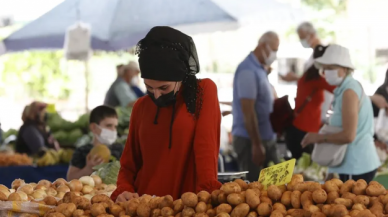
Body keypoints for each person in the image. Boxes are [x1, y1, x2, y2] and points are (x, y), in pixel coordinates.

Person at [112, 26, 221, 202]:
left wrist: (207, 197)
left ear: (181, 76)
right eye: (149, 88)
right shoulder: (141, 106)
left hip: (186, 206)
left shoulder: (203, 92)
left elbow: (205, 148)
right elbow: (129, 164)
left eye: (164, 88)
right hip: (143, 208)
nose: (156, 95)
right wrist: (124, 188)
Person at [302, 44, 380, 183]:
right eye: (324, 69)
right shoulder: (344, 90)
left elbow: (348, 136)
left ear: (344, 69)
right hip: (348, 165)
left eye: (330, 68)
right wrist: (333, 171)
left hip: (356, 166)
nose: (326, 72)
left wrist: (318, 138)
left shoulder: (349, 92)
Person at [280, 22, 336, 160]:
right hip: (305, 130)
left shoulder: (311, 74)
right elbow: (341, 88)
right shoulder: (317, 76)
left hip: (301, 127)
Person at [231, 31, 280, 182]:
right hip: (251, 141)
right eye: (274, 49)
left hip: (265, 137)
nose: (275, 54)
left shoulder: (259, 68)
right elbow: (248, 110)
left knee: (277, 187)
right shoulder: (247, 70)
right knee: (256, 191)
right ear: (263, 46)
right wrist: (256, 145)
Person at [67, 105, 124, 180]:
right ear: (93, 127)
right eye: (109, 125)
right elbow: (70, 178)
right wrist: (88, 168)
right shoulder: (82, 151)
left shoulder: (121, 149)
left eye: (115, 126)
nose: (113, 130)